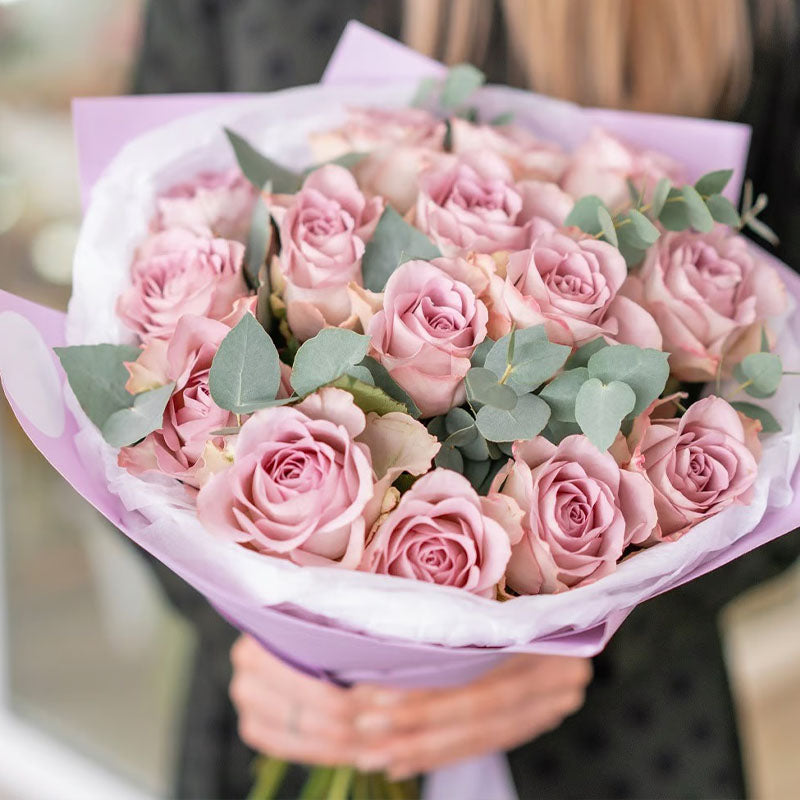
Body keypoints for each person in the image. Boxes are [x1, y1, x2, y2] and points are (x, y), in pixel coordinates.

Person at [134, 1, 800, 797]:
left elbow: (780, 397)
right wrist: (248, 632)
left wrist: (601, 640)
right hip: (282, 714)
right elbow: (130, 299)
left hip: (624, 741)